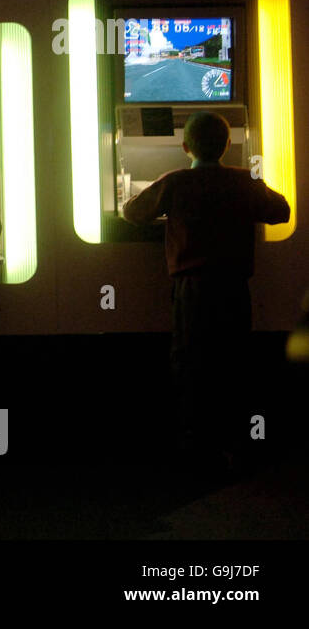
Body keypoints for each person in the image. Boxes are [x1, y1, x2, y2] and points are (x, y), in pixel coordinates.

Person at [123, 111, 290, 470]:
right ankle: (232, 444)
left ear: (186, 147)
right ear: (228, 145)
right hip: (233, 287)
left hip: (192, 289)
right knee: (233, 362)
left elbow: (132, 212)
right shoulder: (245, 182)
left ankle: (193, 445)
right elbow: (281, 211)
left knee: (190, 363)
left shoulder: (175, 182)